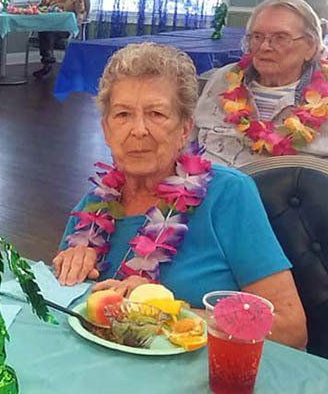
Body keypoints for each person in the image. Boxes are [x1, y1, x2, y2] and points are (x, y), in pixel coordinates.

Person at [53, 43, 307, 348]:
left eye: (157, 113)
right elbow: (66, 315)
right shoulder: (92, 207)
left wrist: (170, 314)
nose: (139, 130)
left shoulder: (229, 195)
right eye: (122, 114)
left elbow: (291, 329)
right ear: (106, 129)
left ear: (185, 129)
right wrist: (68, 272)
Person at [196, 0, 327, 166]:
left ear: (311, 46)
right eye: (257, 37)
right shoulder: (222, 79)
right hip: (211, 187)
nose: (265, 47)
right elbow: (187, 142)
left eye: (280, 38)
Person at [32, 0, 87, 79]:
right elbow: (39, 7)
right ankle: (48, 60)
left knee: (47, 32)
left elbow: (81, 14)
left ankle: (47, 62)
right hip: (49, 26)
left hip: (65, 29)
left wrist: (76, 22)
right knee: (45, 30)